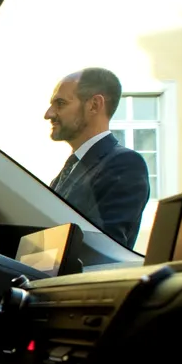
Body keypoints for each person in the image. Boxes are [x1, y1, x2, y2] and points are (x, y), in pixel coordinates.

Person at [44, 68, 150, 248]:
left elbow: (102, 249)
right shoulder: (71, 168)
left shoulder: (125, 164)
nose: (49, 114)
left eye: (60, 103)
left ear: (94, 105)